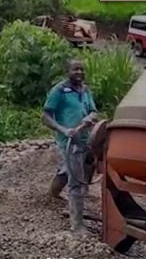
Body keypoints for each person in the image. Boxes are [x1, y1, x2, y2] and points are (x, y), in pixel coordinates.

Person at [42, 59, 98, 235]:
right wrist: (63, 129)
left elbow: (94, 110)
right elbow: (45, 115)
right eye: (75, 69)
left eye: (82, 69)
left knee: (71, 170)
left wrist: (91, 117)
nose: (79, 72)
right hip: (68, 142)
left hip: (85, 139)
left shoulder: (86, 90)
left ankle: (54, 191)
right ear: (68, 71)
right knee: (76, 183)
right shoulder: (59, 91)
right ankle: (77, 226)